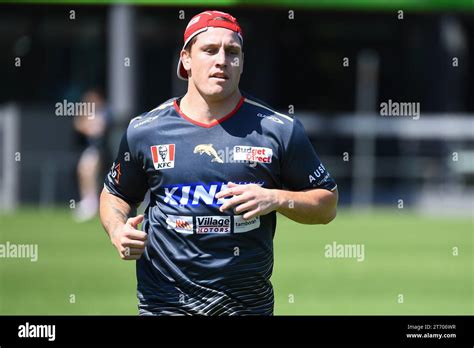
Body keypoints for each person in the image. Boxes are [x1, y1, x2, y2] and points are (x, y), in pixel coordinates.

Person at [99, 10, 338, 315]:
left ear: (242, 63)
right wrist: (118, 229)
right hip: (165, 305)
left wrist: (275, 198)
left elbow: (327, 205)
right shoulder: (145, 130)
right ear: (186, 58)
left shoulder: (278, 129)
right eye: (209, 50)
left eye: (232, 52)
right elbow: (116, 193)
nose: (222, 60)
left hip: (246, 306)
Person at [74, 88, 111, 222]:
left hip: (101, 150)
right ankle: (88, 200)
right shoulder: (89, 113)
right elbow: (79, 124)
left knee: (90, 171)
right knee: (83, 171)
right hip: (91, 149)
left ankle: (92, 202)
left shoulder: (105, 112)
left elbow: (98, 130)